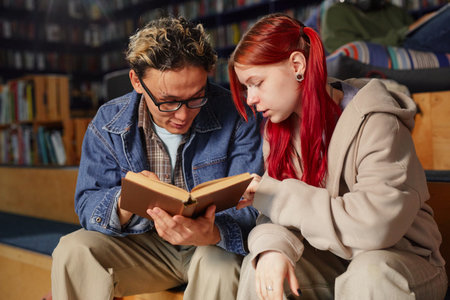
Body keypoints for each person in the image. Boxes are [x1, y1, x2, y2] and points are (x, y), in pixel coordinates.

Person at [228, 13, 448, 299]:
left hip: (401, 260)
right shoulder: (278, 132)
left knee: (368, 274)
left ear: (297, 65)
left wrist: (278, 196)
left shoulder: (378, 122)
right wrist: (272, 247)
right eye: (246, 87)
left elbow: (374, 228)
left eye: (257, 83)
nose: (250, 99)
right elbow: (274, 217)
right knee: (262, 268)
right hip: (332, 259)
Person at [51, 16, 264, 300]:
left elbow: (254, 208)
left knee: (222, 268)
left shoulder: (239, 115)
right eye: (168, 101)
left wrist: (211, 232)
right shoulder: (108, 121)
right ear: (136, 81)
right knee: (73, 250)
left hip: (213, 245)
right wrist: (126, 202)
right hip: (145, 246)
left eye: (197, 97)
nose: (182, 114)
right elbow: (88, 203)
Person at [321, 0, 450, 54]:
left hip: (416, 41)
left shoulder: (393, 10)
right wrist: (405, 32)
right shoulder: (336, 12)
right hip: (400, 46)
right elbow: (343, 49)